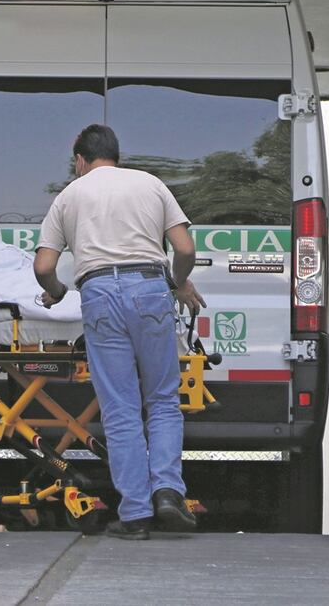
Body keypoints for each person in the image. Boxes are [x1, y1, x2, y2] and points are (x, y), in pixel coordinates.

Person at [33, 124, 206, 540]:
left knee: (121, 408)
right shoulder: (150, 184)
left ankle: (136, 514)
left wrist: (56, 292)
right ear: (117, 155)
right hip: (149, 288)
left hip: (98, 294)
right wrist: (179, 282)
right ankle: (168, 492)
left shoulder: (68, 196)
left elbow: (43, 267)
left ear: (80, 160)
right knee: (162, 400)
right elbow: (184, 248)